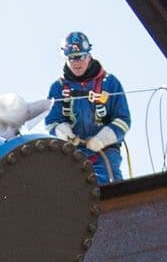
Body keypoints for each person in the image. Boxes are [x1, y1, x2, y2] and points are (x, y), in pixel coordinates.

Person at [42, 31, 129, 184]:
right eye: (71, 58)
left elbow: (123, 120)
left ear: (88, 55)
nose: (76, 63)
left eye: (80, 57)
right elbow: (51, 121)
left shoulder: (110, 83)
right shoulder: (58, 88)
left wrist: (102, 139)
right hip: (73, 152)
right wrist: (64, 133)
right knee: (71, 187)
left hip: (106, 151)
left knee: (110, 184)